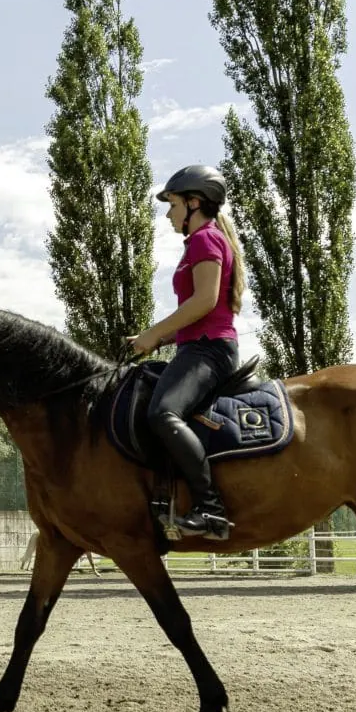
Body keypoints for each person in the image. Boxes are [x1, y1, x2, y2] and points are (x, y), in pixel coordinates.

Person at [126, 163, 245, 540]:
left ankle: (210, 510)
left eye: (173, 204)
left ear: (195, 203)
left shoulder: (204, 240)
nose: (168, 213)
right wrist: (159, 339)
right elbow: (195, 310)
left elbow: (205, 301)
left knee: (163, 413)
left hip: (209, 352)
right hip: (196, 348)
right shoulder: (203, 241)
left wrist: (153, 333)